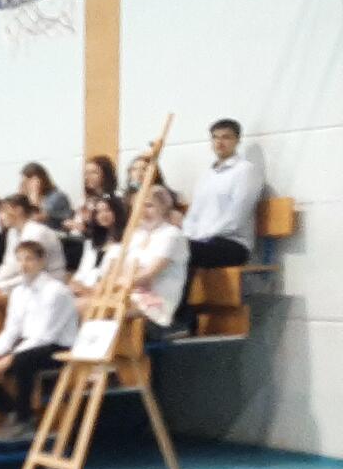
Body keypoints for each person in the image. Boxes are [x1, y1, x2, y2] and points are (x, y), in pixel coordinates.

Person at [0, 242, 78, 441]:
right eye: (20, 259)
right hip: (30, 344)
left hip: (60, 347)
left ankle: (24, 420)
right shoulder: (19, 291)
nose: (23, 264)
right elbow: (12, 329)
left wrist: (9, 359)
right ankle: (13, 412)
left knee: (23, 361)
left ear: (41, 261)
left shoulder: (56, 291)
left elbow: (45, 335)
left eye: (29, 259)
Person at [0, 194, 68, 350]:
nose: (0, 216)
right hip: (24, 283)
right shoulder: (13, 232)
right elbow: (10, 264)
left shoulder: (36, 232)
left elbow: (29, 269)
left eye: (3, 211)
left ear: (18, 210)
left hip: (45, 284)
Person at [181, 118, 264, 271]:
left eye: (226, 137)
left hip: (233, 243)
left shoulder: (245, 171)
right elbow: (193, 213)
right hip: (201, 241)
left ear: (237, 140)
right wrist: (186, 235)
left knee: (183, 252)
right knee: (174, 248)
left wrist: (202, 236)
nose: (219, 142)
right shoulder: (206, 175)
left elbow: (237, 217)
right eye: (215, 137)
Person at [124, 187, 192, 335]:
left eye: (149, 206)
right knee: (83, 305)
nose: (143, 211)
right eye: (138, 206)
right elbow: (123, 271)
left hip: (155, 306)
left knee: (89, 308)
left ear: (164, 208)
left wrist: (122, 282)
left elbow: (147, 275)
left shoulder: (171, 235)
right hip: (129, 296)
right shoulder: (136, 236)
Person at [70, 195, 128, 307]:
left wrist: (90, 290)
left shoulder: (125, 243)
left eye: (107, 210)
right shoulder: (91, 242)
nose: (103, 215)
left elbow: (115, 277)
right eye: (98, 212)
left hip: (106, 294)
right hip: (83, 290)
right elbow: (81, 271)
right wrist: (75, 284)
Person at [19, 162, 74, 230]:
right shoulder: (28, 198)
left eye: (28, 181)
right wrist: (21, 197)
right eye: (24, 182)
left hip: (56, 234)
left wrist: (35, 193)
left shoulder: (57, 197)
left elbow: (38, 218)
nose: (26, 185)